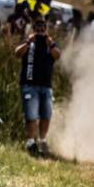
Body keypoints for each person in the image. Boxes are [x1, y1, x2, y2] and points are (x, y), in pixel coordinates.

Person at [15, 16, 61, 156]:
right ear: (33, 30)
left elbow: (57, 55)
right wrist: (29, 41)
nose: (40, 31)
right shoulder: (29, 42)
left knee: (46, 115)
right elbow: (17, 53)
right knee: (31, 115)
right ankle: (30, 142)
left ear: (46, 30)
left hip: (46, 86)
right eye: (37, 29)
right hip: (30, 85)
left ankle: (42, 140)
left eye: (43, 28)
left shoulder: (50, 43)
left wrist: (50, 44)